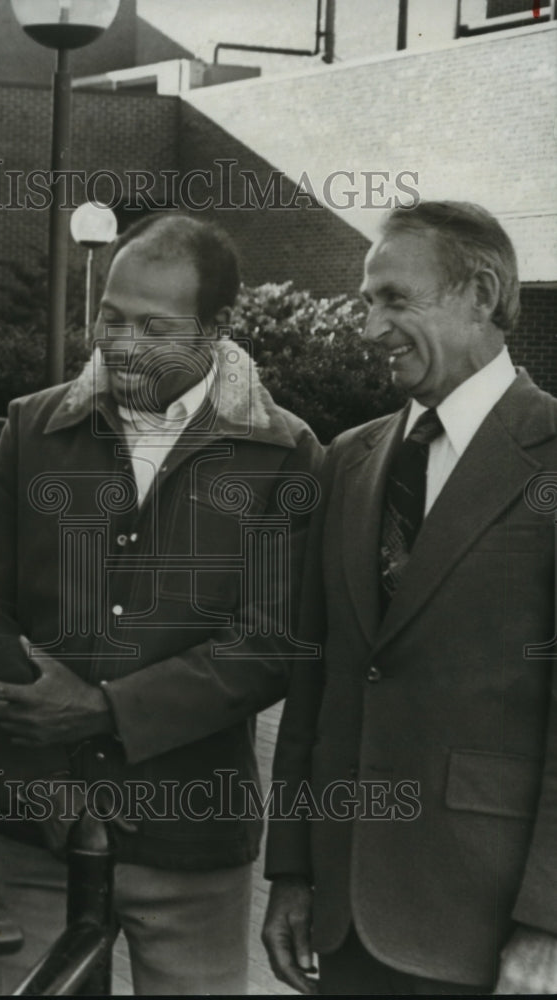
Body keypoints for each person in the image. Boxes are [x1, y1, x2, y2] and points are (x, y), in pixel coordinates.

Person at [0, 213, 322, 994]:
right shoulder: (31, 427)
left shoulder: (284, 452)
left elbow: (270, 645)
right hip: (35, 842)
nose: (120, 344)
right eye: (110, 317)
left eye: (154, 326)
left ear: (217, 329)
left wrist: (107, 709)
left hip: (189, 840)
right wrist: (35, 777)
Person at [262, 200, 557, 995]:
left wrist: (547, 924)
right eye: (366, 301)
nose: (367, 328)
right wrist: (290, 871)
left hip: (488, 931)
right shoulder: (345, 462)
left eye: (394, 299)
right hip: (345, 921)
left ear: (481, 293)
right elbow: (312, 681)